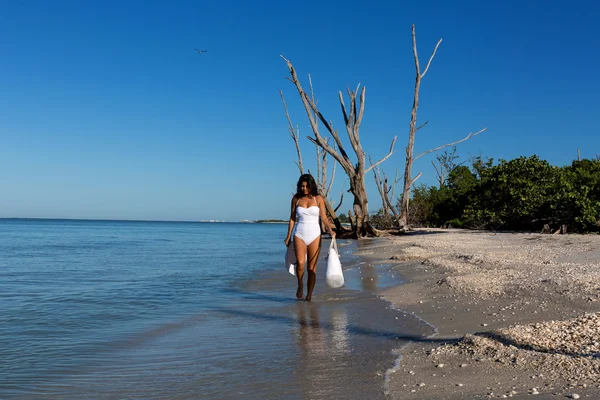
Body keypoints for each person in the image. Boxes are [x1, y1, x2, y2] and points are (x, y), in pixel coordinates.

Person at [284, 174, 336, 301]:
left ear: (311, 186)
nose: (304, 188)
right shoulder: (296, 199)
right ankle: (300, 284)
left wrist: (330, 230)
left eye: (306, 186)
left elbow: (323, 217)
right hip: (299, 234)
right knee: (300, 263)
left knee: (311, 268)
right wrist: (288, 236)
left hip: (315, 235)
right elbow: (292, 218)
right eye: (302, 186)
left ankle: (309, 296)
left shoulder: (318, 199)